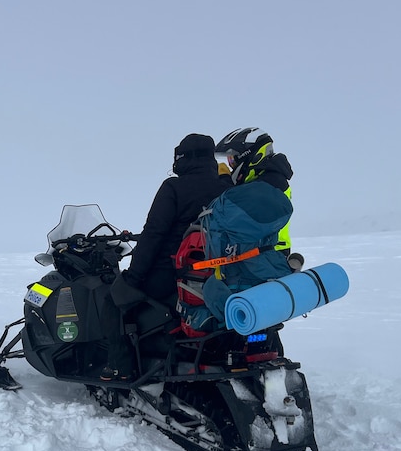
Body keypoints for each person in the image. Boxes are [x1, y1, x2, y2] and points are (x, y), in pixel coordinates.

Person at [100, 133, 231, 381]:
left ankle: (120, 366)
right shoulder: (226, 189)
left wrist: (134, 278)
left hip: (169, 273)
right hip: (212, 274)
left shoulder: (174, 187)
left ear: (183, 158)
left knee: (113, 299)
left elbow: (154, 234)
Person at [214, 127, 294, 257]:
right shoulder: (263, 179)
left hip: (270, 254)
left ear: (253, 156)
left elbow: (235, 210)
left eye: (232, 160)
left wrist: (224, 180)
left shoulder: (271, 182)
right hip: (261, 252)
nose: (230, 166)